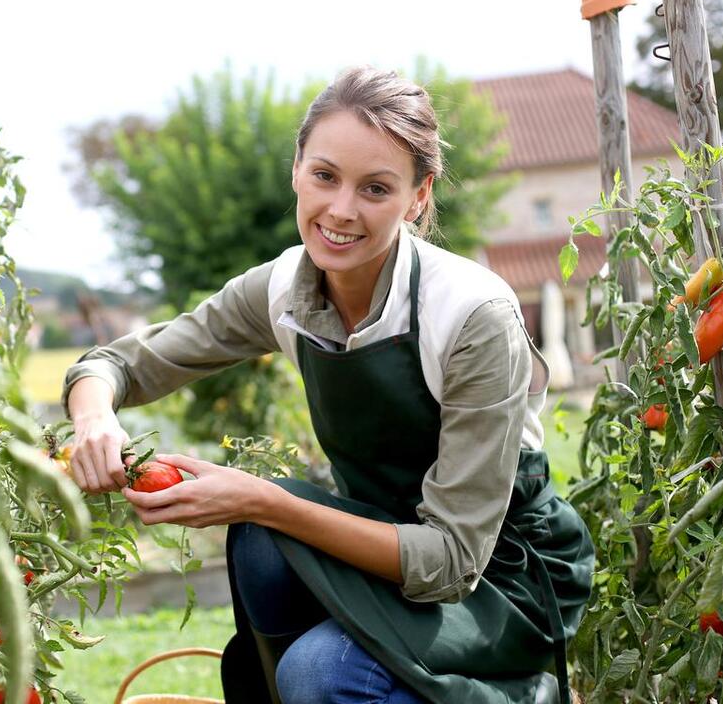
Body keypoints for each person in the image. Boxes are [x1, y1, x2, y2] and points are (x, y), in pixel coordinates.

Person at [61, 66, 594, 704]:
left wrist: (259, 498)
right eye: (324, 176)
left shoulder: (470, 315)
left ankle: (512, 692)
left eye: (375, 188)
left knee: (317, 668)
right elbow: (115, 363)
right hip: (383, 543)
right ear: (297, 169)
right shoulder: (284, 288)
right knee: (262, 546)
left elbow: (451, 559)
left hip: (498, 578)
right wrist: (93, 418)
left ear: (418, 196)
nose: (341, 211)